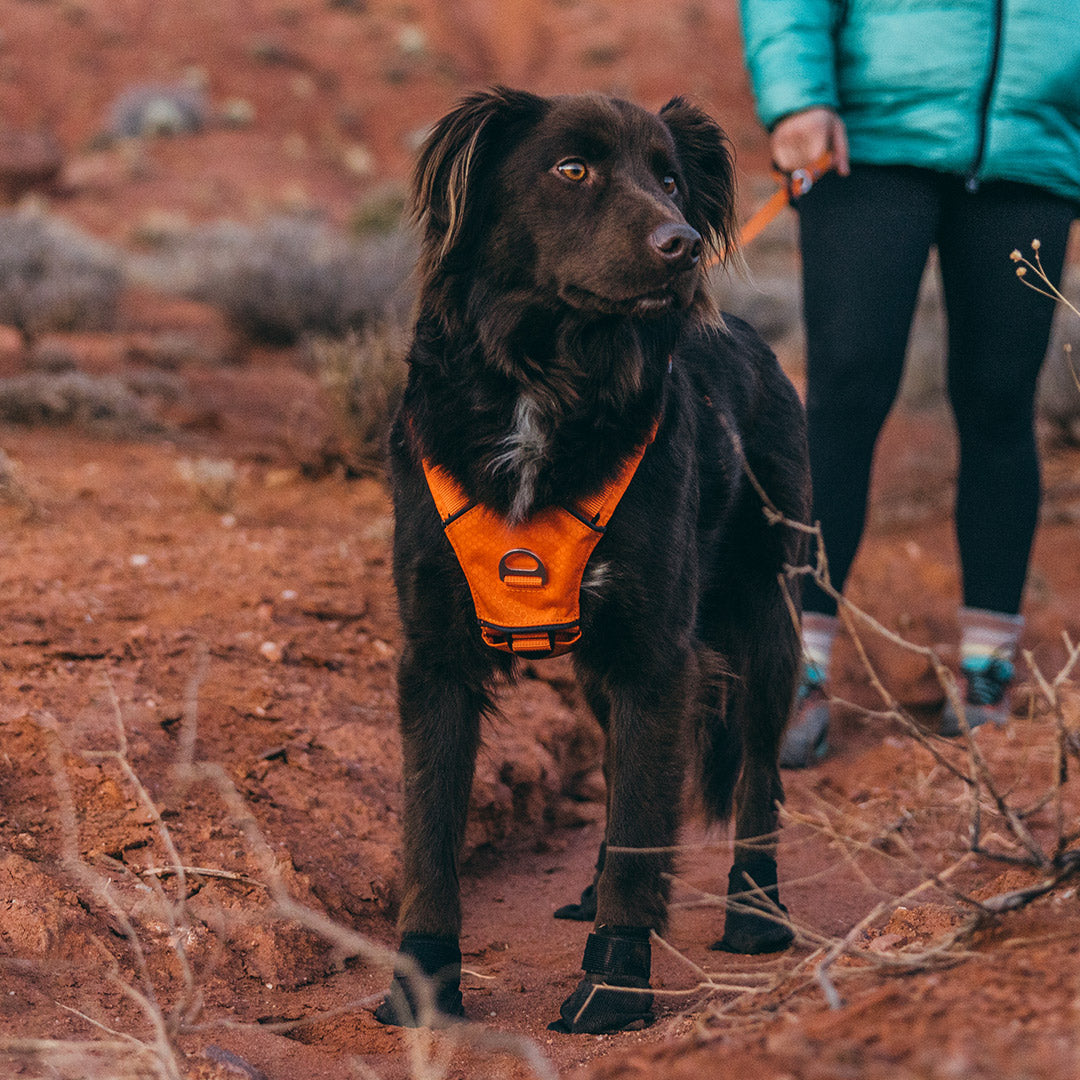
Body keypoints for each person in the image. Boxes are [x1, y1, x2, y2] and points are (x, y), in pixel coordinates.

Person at [738, 0, 1080, 767]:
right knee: (846, 393)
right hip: (867, 142)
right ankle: (795, 663)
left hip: (1034, 149)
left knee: (1002, 402)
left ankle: (988, 669)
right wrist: (798, 96)